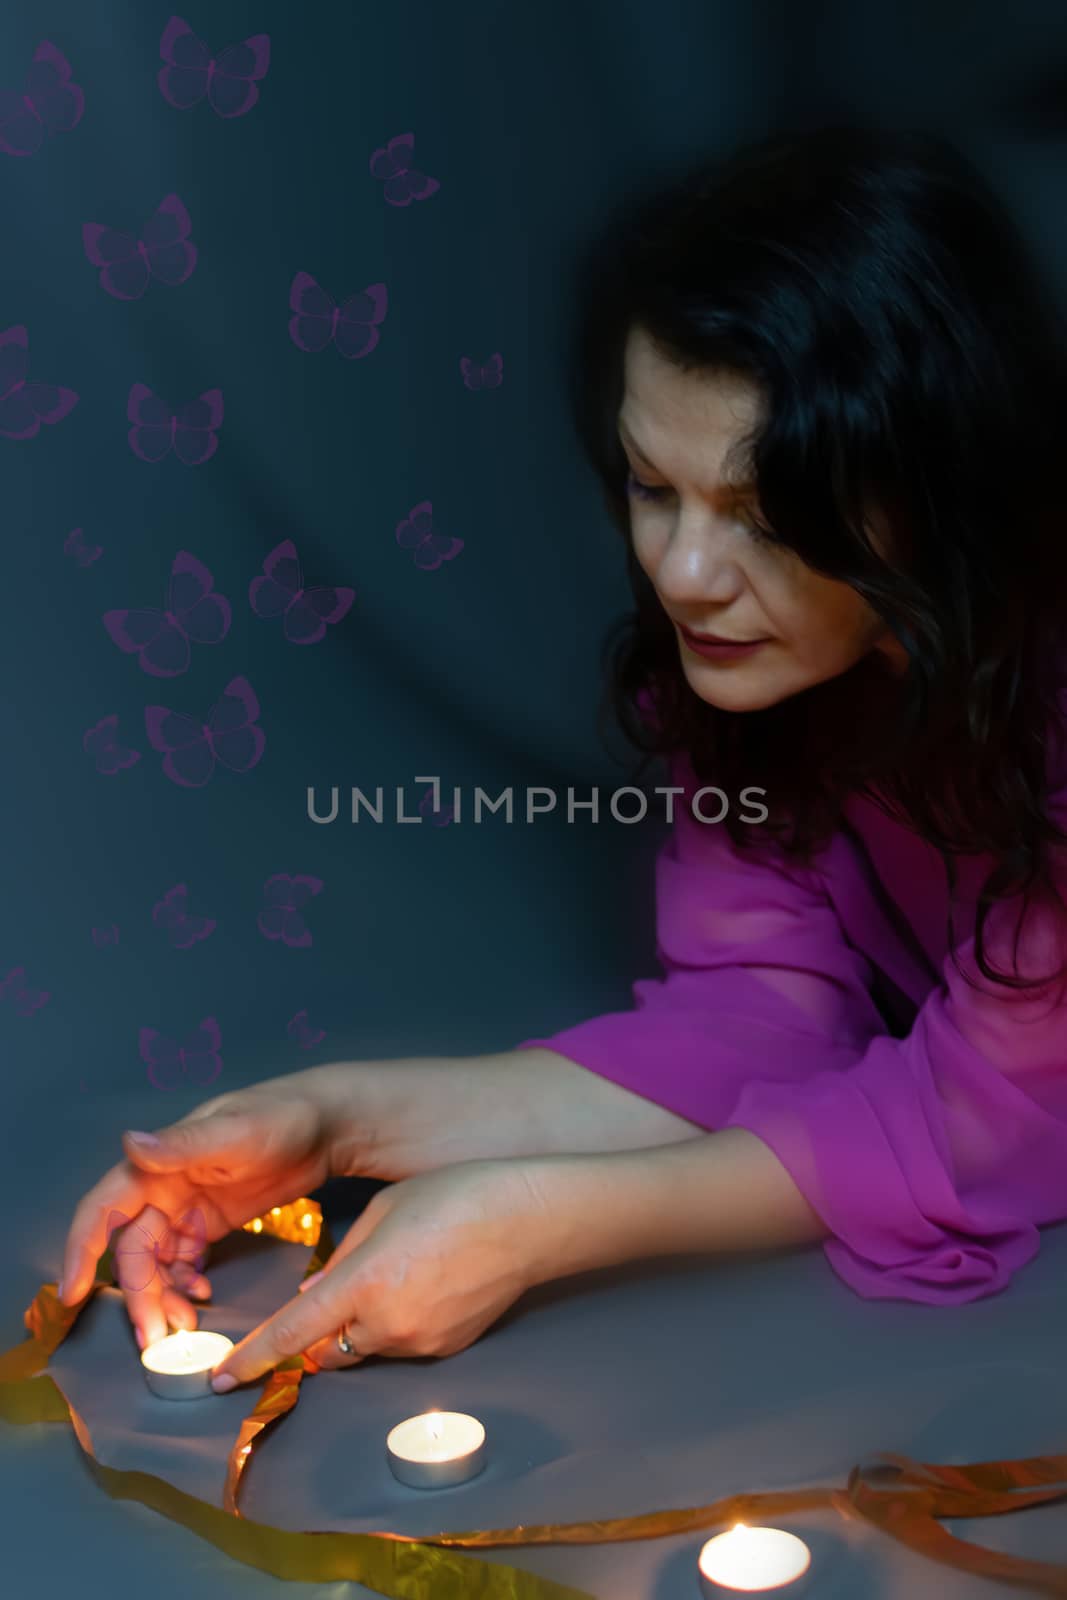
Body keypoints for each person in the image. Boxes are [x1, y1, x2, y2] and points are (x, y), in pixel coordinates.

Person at [58, 124, 1067, 1393]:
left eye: (764, 518)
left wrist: (530, 1226)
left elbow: (980, 1117)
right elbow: (758, 1012)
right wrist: (329, 1121)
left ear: (939, 494)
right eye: (653, 487)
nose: (684, 576)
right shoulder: (754, 669)